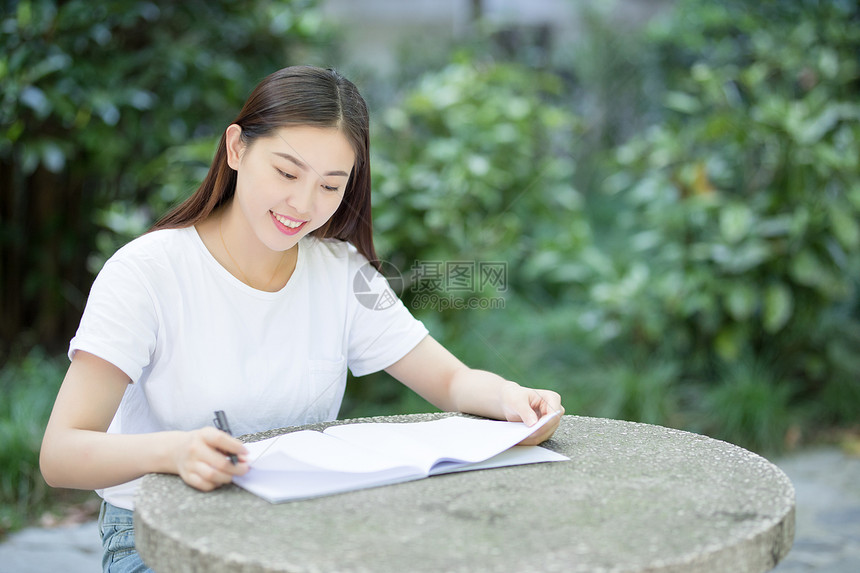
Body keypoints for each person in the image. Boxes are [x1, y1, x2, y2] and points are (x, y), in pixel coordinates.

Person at [39, 65, 563, 572]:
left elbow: (450, 379)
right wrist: (175, 451)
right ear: (237, 147)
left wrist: (512, 402)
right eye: (287, 172)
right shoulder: (147, 273)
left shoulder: (340, 274)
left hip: (297, 532)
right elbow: (61, 453)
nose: (303, 204)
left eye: (330, 186)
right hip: (156, 538)